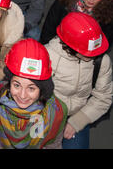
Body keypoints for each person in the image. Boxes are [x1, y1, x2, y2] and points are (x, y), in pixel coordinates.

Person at [0, 38, 67, 149]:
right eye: (16, 85)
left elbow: (53, 145)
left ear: (42, 88)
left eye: (31, 88)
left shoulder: (56, 112)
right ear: (9, 81)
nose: (22, 95)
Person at [45, 12, 112, 149]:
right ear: (69, 45)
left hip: (77, 114)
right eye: (88, 51)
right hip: (46, 113)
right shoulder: (46, 55)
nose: (94, 54)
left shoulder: (101, 61)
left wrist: (77, 121)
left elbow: (103, 97)